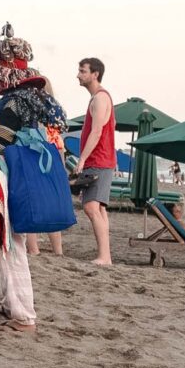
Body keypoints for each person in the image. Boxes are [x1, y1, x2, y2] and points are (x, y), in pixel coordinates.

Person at [0, 24, 69, 331]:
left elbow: (1, 140)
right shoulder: (38, 100)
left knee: (11, 244)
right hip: (29, 176)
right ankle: (11, 303)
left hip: (14, 178)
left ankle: (23, 315)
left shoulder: (13, 103)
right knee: (13, 242)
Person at [76, 56, 116, 266]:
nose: (78, 75)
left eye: (83, 71)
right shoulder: (97, 98)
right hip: (101, 159)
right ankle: (105, 255)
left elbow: (97, 130)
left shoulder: (100, 98)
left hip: (98, 159)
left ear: (95, 74)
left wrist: (82, 160)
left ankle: (105, 256)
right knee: (99, 208)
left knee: (91, 207)